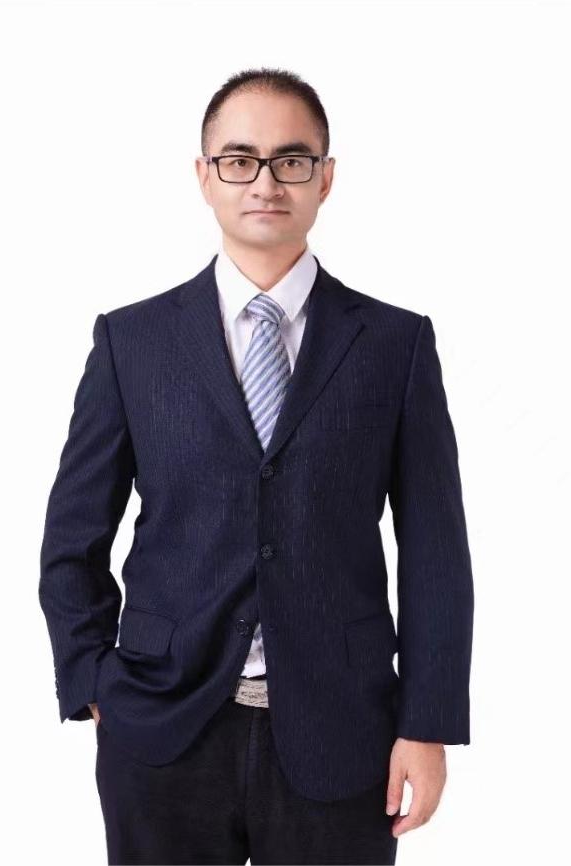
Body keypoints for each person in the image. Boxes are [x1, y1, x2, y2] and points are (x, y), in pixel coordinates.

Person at [39, 66, 474, 866]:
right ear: (205, 176)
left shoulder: (395, 345)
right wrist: (92, 680)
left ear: (325, 178)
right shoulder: (132, 343)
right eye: (239, 160)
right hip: (162, 729)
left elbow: (436, 552)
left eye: (291, 160)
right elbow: (72, 539)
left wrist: (428, 723)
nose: (265, 182)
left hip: (345, 733)